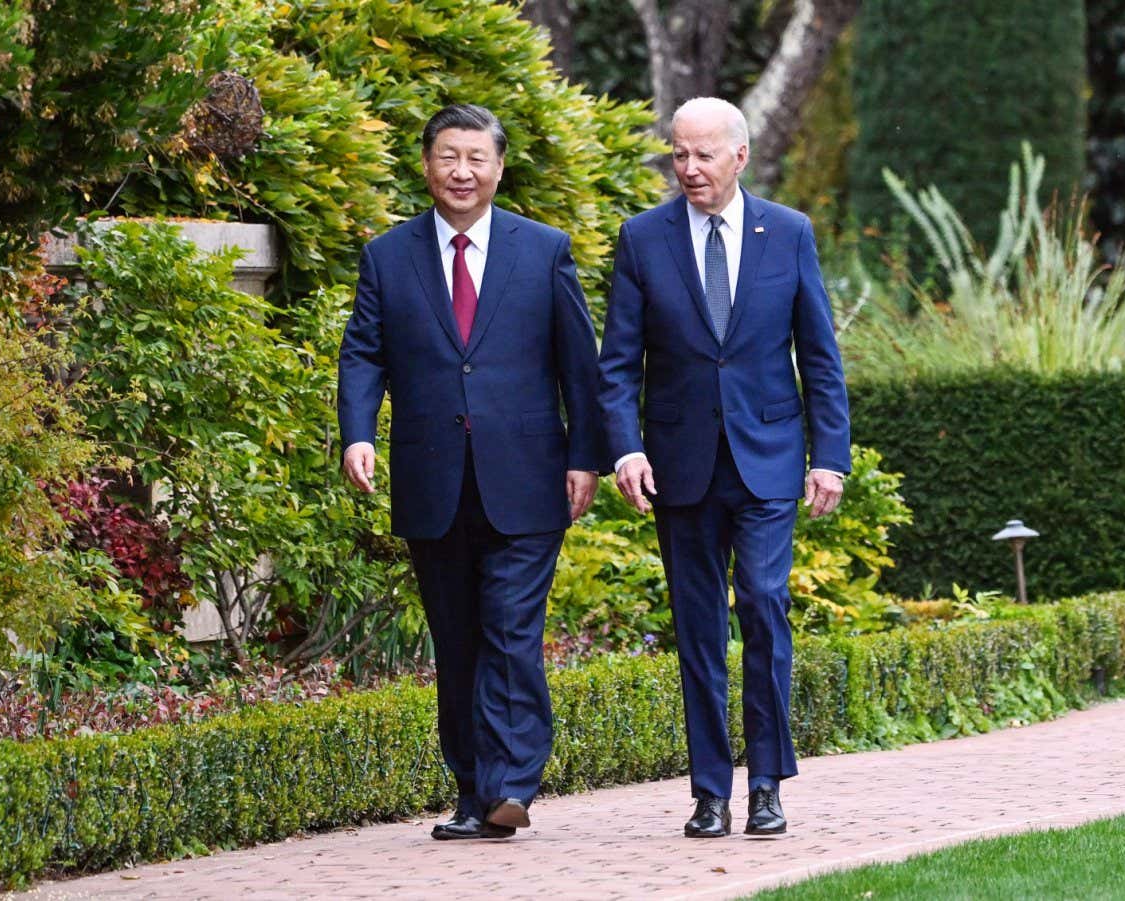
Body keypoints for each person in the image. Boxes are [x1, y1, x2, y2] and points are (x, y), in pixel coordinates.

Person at [338, 104, 602, 841]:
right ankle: (470, 793)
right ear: (426, 164)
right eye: (448, 157)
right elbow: (363, 353)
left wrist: (586, 455)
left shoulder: (543, 249)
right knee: (456, 643)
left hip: (529, 477)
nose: (462, 171)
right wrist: (358, 434)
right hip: (433, 479)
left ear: (499, 167)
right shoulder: (387, 256)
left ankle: (511, 783)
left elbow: (579, 364)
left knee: (511, 630)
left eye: (476, 158)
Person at [597, 97, 850, 838]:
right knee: (698, 629)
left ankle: (766, 782)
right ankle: (710, 790)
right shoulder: (643, 238)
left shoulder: (789, 232)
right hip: (680, 465)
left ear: (740, 156)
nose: (689, 168)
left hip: (767, 459)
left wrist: (830, 458)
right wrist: (626, 447)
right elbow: (618, 364)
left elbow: (820, 357)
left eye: (703, 154)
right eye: (678, 154)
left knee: (764, 605)